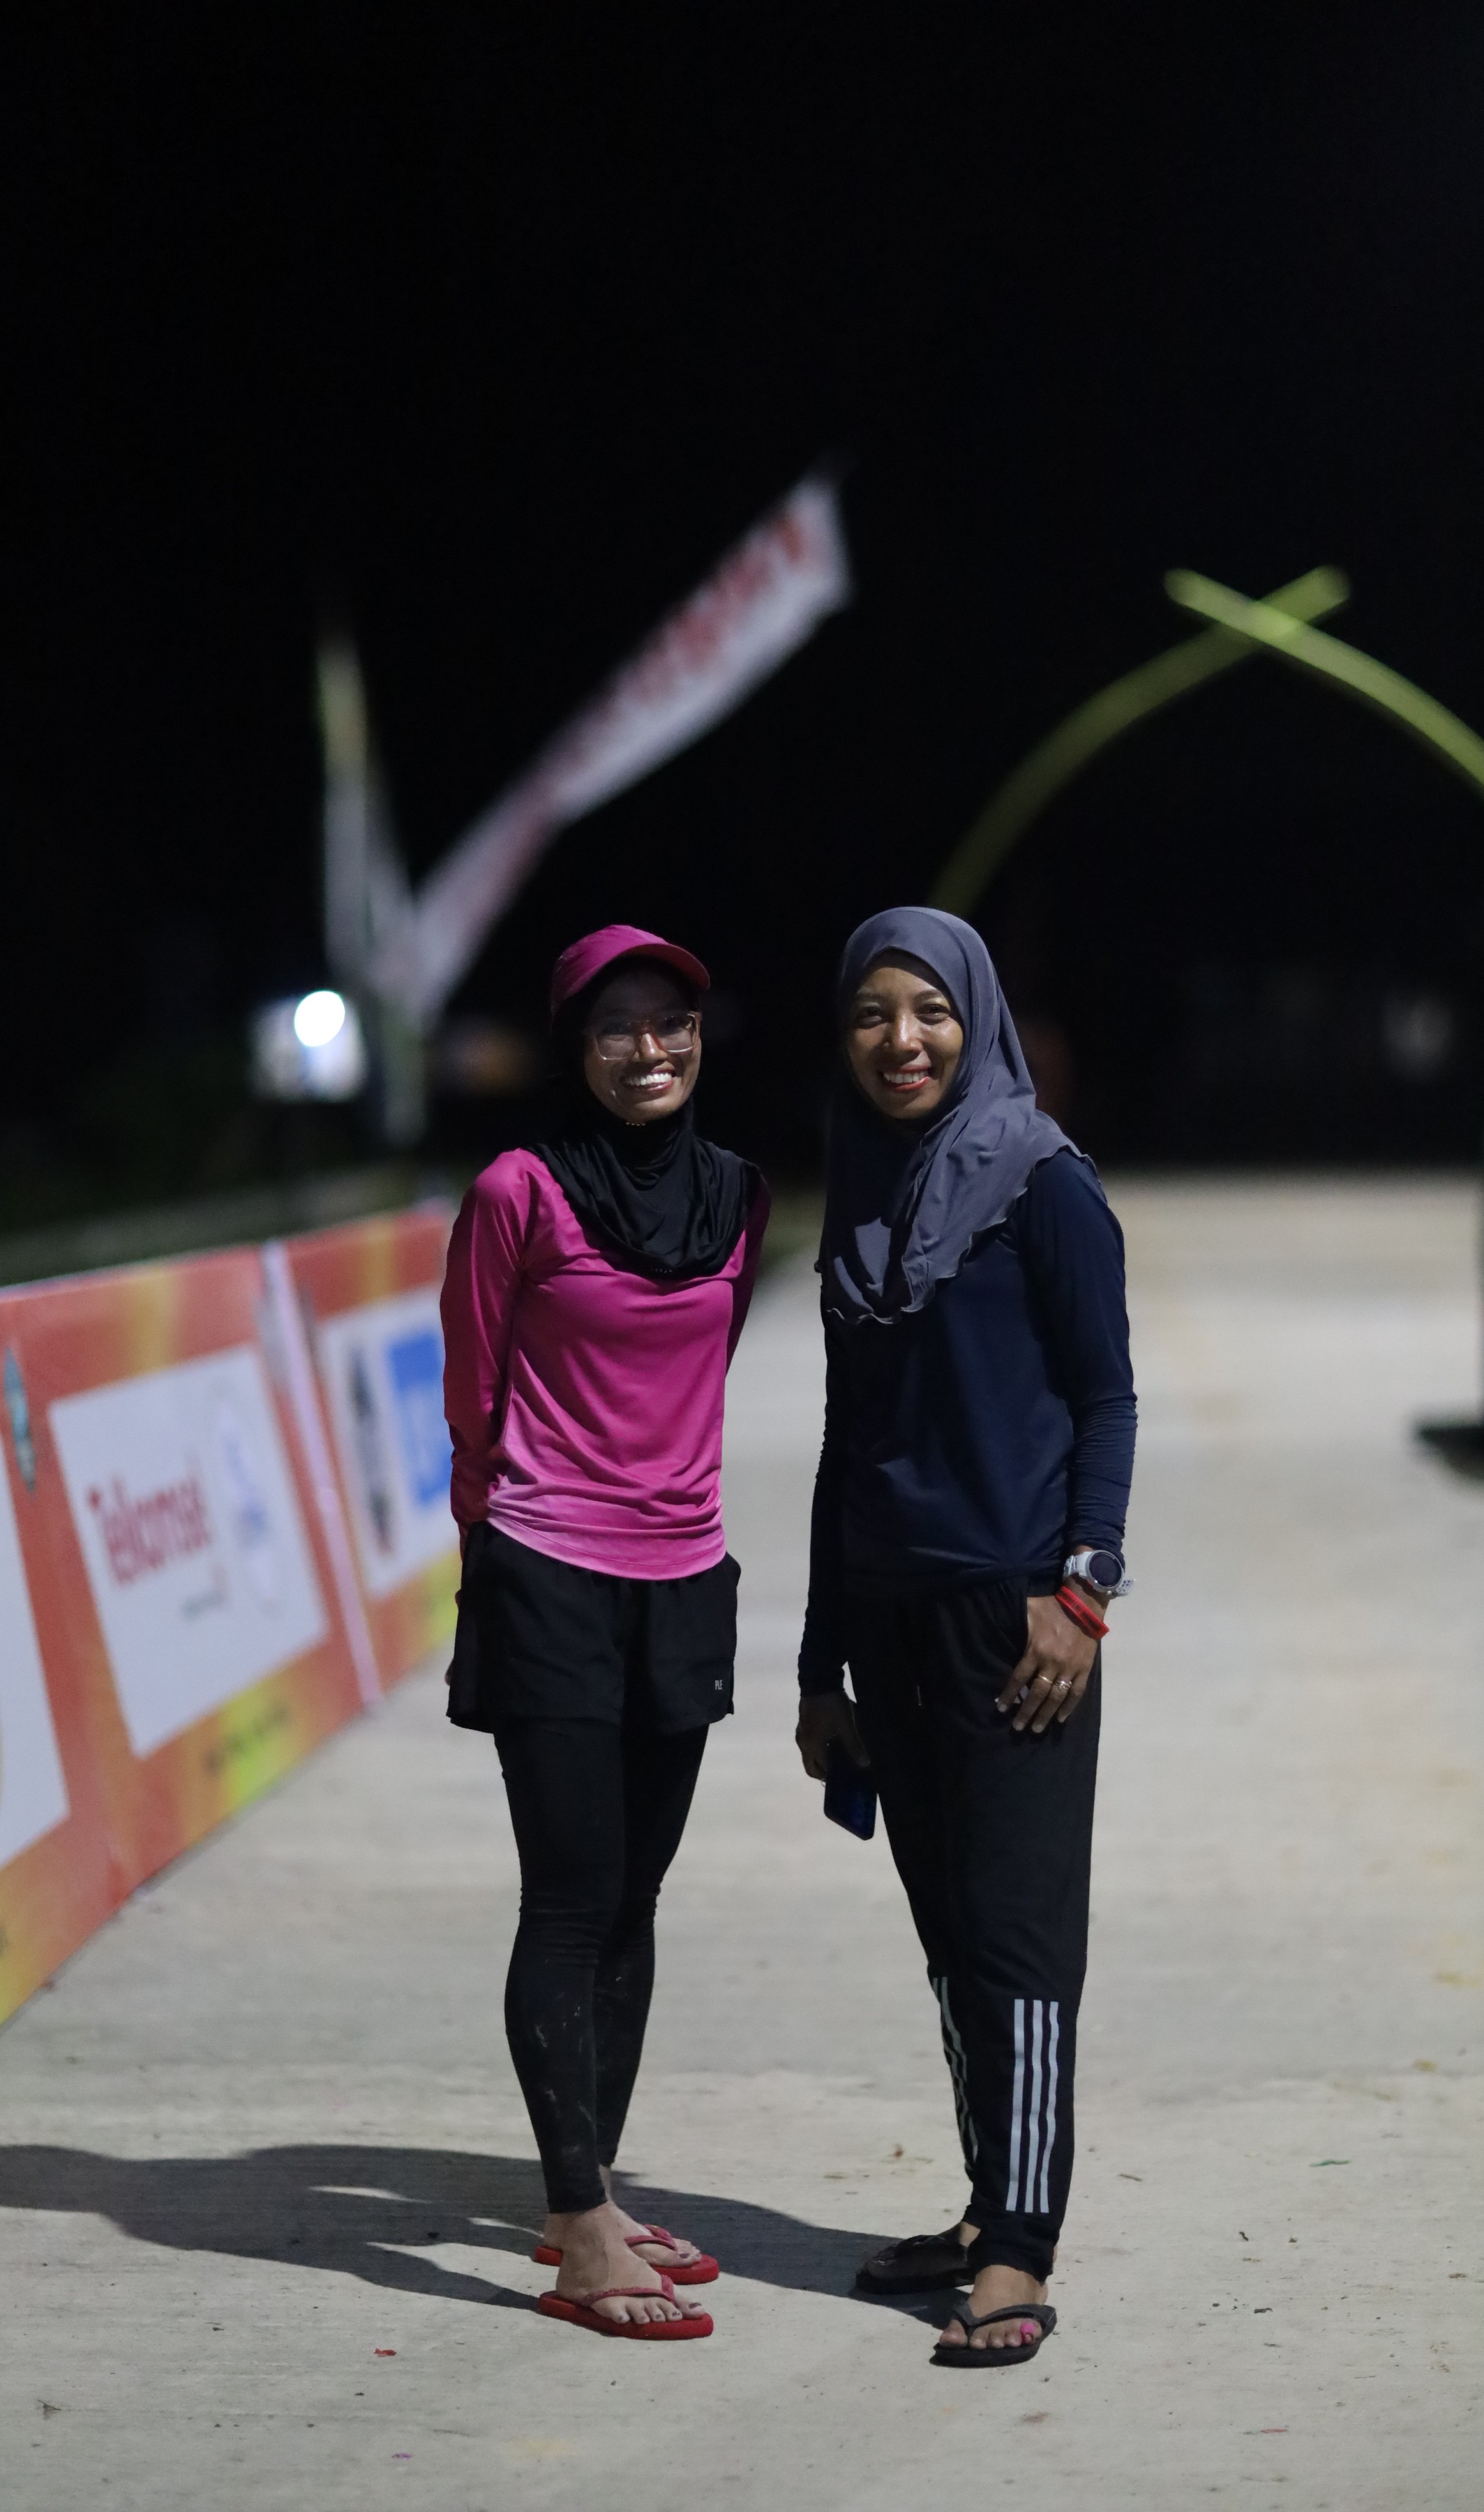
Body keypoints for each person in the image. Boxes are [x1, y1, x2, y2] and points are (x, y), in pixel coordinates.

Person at [795, 906, 1136, 2367]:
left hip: (1016, 1619)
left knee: (1020, 1937)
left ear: (976, 1019)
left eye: (928, 1011)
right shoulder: (862, 1187)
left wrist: (1083, 1594)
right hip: (890, 1621)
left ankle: (1021, 2250)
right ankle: (987, 2200)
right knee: (948, 1936)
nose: (902, 1041)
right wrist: (820, 1664)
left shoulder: (1045, 1182)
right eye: (873, 1014)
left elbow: (1107, 1399)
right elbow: (846, 1443)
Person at [441, 924, 770, 2340]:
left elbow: (704, 1371)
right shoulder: (518, 1192)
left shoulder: (739, 1195)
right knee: (571, 1898)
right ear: (574, 1048)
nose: (651, 1050)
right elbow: (472, 1391)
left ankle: (596, 2191)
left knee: (636, 1899)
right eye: (618, 1028)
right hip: (550, 1572)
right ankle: (576, 2227)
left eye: (672, 1024)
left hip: (683, 1577)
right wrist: (502, 1555)